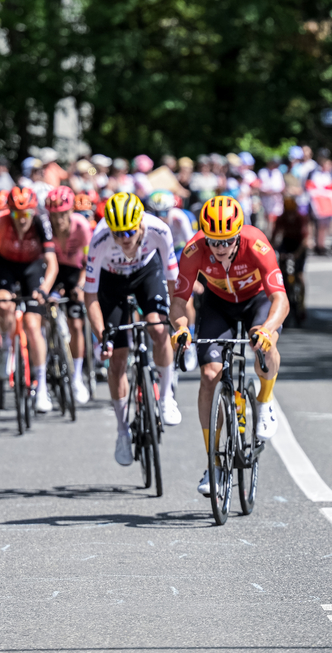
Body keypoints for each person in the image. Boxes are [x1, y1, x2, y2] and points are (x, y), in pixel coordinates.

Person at [168, 197, 288, 495]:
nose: (220, 248)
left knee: (264, 343)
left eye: (227, 241)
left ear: (238, 234)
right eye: (214, 242)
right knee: (210, 375)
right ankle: (214, 463)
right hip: (218, 305)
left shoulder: (257, 244)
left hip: (256, 301)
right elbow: (179, 302)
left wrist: (267, 329)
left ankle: (264, 401)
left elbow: (281, 299)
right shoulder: (194, 250)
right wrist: (181, 328)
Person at [85, 192, 181, 466]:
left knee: (158, 329)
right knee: (117, 357)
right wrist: (102, 333)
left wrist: (177, 320)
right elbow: (90, 296)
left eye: (130, 231)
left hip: (146, 273)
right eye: (119, 233)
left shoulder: (159, 230)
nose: (125, 238)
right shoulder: (100, 238)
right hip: (111, 281)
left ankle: (166, 397)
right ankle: (122, 431)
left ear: (141, 224)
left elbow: (174, 282)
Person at [0, 186, 58, 413]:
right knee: (3, 304)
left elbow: (52, 263)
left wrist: (45, 289)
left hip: (33, 267)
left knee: (32, 324)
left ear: (33, 212)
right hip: (7, 266)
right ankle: (7, 344)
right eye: (17, 214)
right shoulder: (1, 223)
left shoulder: (40, 222)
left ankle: (42, 386)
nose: (21, 219)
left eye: (26, 213)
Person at [46, 186, 93, 404]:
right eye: (54, 215)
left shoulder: (81, 226)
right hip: (55, 270)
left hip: (76, 271)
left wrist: (81, 286)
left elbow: (89, 261)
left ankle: (77, 378)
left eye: (63, 214)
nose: (59, 220)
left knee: (76, 324)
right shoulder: (46, 227)